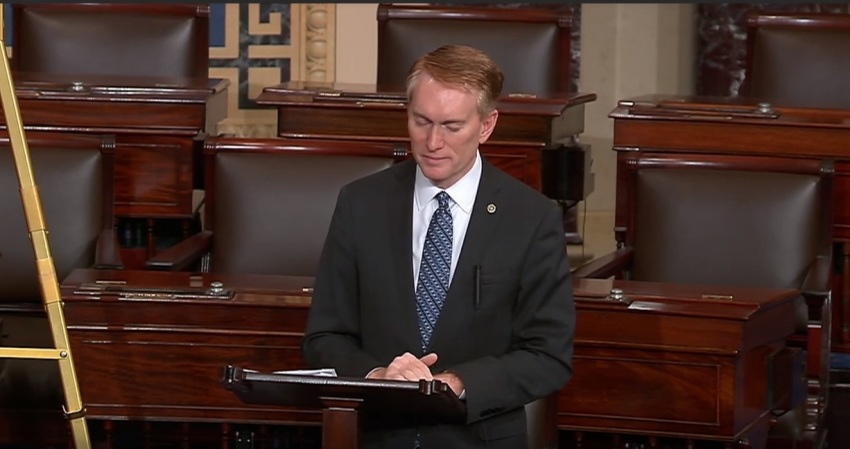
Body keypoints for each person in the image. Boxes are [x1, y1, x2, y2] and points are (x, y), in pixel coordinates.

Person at [302, 44, 575, 449]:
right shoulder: (361, 204)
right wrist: (378, 377)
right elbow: (324, 338)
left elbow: (548, 355)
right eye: (421, 121)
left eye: (451, 126)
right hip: (376, 435)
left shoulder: (532, 218)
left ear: (486, 125)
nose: (432, 141)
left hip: (478, 437)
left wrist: (453, 385)